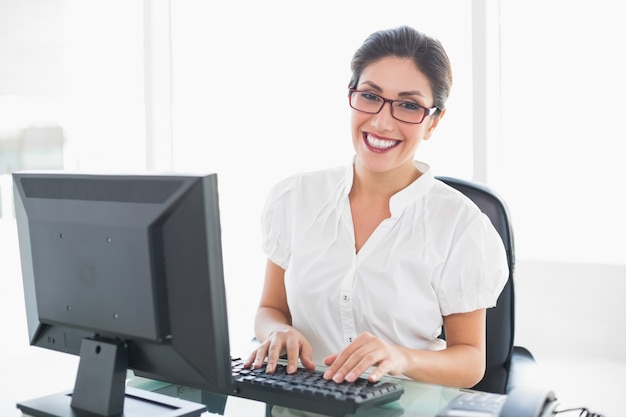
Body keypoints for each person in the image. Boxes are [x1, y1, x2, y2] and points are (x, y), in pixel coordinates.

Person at [244, 25, 508, 389]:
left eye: (409, 105)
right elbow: (270, 308)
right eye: (370, 96)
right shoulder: (294, 197)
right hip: (302, 402)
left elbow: (471, 360)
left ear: (433, 122)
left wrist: (402, 357)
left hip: (402, 407)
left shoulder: (461, 226)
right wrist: (277, 331)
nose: (382, 121)